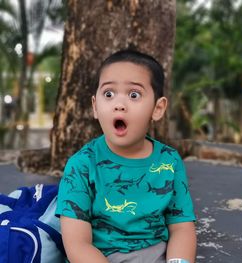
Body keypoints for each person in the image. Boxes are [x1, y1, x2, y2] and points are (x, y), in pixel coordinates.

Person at [55, 49, 197, 263]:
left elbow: (181, 227)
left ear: (157, 109)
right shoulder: (81, 165)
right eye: (109, 94)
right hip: (97, 256)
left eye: (134, 95)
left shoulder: (169, 161)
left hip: (155, 253)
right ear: (95, 106)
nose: (119, 104)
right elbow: (77, 243)